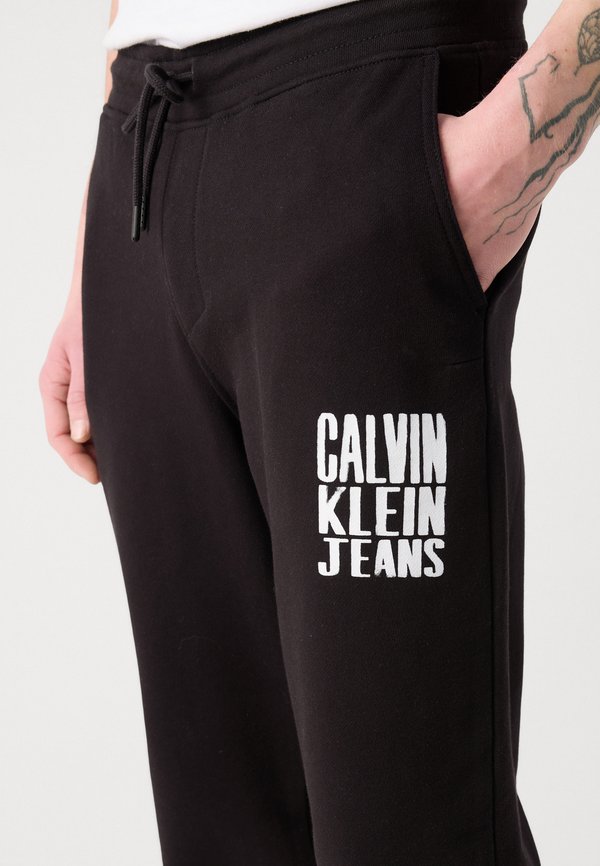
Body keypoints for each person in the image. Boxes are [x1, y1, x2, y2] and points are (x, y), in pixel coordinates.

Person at [38, 0, 598, 863]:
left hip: (365, 100)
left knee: (406, 829)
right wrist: (97, 242)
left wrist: (518, 144)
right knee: (223, 830)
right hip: (141, 149)